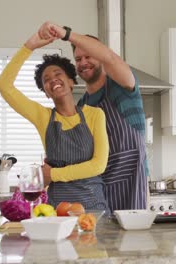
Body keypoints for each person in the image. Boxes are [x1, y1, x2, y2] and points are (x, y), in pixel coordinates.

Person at [37, 22, 148, 213]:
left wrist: (66, 34)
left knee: (130, 242)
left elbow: (111, 58)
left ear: (100, 55)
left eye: (89, 56)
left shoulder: (123, 87)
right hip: (94, 190)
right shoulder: (82, 108)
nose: (83, 62)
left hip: (131, 183)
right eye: (78, 58)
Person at [0, 29, 110, 212]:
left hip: (93, 207)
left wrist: (52, 174)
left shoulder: (95, 115)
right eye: (46, 80)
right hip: (56, 210)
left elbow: (98, 165)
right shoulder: (43, 117)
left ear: (72, 81)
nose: (53, 80)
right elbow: (4, 86)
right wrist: (30, 46)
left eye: (58, 74)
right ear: (46, 93)